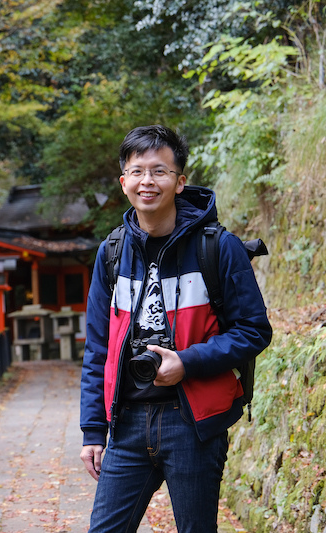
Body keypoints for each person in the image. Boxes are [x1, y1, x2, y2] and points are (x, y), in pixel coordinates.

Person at [79, 125, 272, 532]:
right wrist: (92, 430)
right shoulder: (112, 253)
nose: (147, 181)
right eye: (137, 172)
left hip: (192, 421)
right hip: (127, 422)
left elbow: (254, 330)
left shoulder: (218, 246)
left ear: (180, 182)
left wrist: (187, 362)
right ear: (124, 182)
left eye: (159, 171)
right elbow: (98, 347)